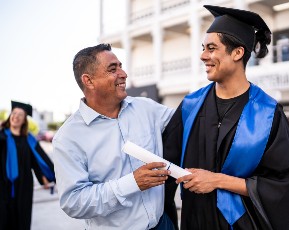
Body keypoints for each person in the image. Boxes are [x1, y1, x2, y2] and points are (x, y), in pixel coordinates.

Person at [163, 5, 289, 230]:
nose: (203, 55)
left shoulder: (267, 114)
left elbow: (282, 185)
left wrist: (217, 180)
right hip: (193, 222)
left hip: (240, 224)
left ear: (237, 53)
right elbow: (165, 172)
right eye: (203, 48)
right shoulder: (190, 107)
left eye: (212, 48)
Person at [52, 44, 175, 229]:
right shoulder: (68, 137)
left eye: (121, 66)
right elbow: (74, 202)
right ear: (89, 81)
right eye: (113, 69)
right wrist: (131, 183)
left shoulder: (146, 108)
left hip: (162, 224)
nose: (123, 73)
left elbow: (189, 122)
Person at [0, 101, 55, 230]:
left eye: (21, 115)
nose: (16, 116)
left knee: (22, 220)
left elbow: (37, 162)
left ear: (24, 120)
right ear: (10, 116)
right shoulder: (1, 136)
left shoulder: (29, 140)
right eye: (14, 113)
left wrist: (44, 179)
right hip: (2, 186)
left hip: (24, 186)